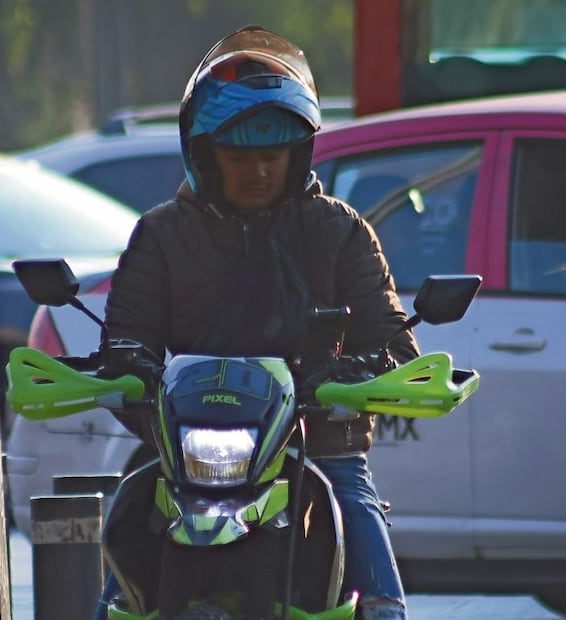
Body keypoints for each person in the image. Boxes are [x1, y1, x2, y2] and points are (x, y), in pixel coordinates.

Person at [96, 26, 414, 620]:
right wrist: (127, 364)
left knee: (355, 509)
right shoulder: (161, 233)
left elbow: (393, 339)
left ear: (299, 154)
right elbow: (126, 335)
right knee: (120, 577)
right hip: (187, 456)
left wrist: (369, 369)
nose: (259, 170)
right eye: (240, 156)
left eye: (272, 155)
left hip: (319, 444)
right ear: (204, 153)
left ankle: (384, 607)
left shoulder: (340, 229)